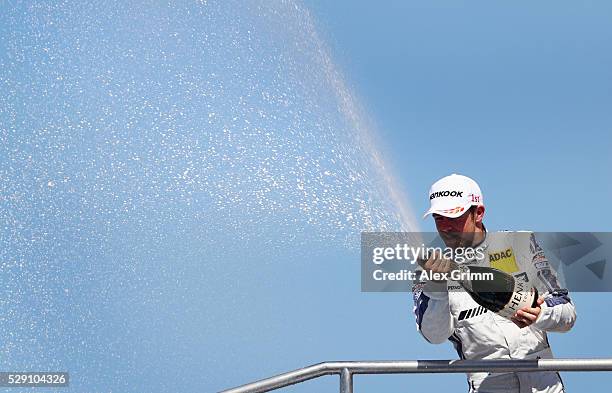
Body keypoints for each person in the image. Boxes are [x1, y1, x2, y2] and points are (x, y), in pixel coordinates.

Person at [413, 174, 576, 393]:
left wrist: (541, 314)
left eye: (454, 216)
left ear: (478, 213)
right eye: (438, 218)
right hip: (487, 386)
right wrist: (438, 287)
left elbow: (567, 314)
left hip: (544, 383)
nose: (446, 227)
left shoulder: (520, 244)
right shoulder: (428, 270)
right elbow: (434, 335)